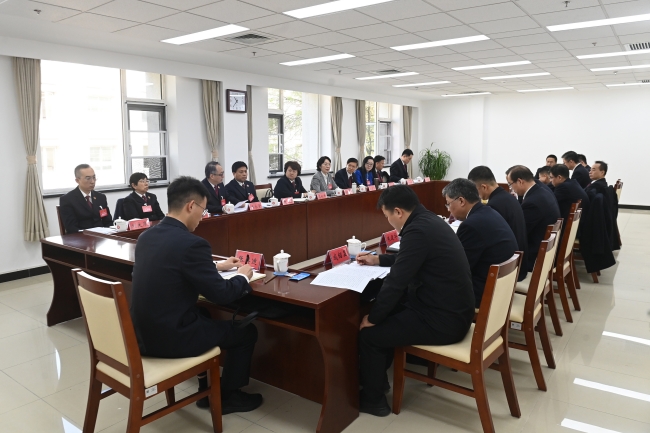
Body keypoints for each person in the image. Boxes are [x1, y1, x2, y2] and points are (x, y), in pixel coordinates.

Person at [130, 176, 262, 414]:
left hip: (140, 335)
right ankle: (228, 397)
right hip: (170, 338)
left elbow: (172, 266)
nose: (203, 216)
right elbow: (222, 294)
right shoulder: (192, 244)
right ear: (191, 205)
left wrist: (216, 266)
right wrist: (242, 276)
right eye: (203, 209)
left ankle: (206, 388)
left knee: (203, 314)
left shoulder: (146, 237)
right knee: (246, 332)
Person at [355, 185, 474, 416]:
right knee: (391, 312)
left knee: (371, 335)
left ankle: (373, 400)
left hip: (444, 321)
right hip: (453, 310)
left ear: (398, 212)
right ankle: (378, 381)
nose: (389, 221)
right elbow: (410, 258)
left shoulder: (417, 230)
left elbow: (396, 282)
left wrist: (373, 318)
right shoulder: (428, 220)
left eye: (387, 216)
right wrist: (378, 260)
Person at [443, 179, 518, 307]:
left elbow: (459, 269)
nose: (449, 210)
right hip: (502, 286)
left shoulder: (471, 225)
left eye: (448, 204)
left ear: (461, 201)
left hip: (485, 292)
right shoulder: (489, 212)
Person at [468, 166, 528, 281]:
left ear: (484, 187)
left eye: (475, 190)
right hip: (518, 263)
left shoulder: (494, 206)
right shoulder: (508, 197)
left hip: (510, 272)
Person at [507, 166, 560, 272]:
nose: (511, 188)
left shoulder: (532, 203)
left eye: (510, 184)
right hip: (545, 249)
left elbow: (520, 233)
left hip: (534, 256)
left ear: (520, 181)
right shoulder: (542, 192)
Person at [59, 164, 113, 233]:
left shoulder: (101, 197)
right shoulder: (67, 199)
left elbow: (108, 221)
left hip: (103, 235)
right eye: (88, 178)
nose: (92, 181)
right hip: (81, 237)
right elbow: (71, 228)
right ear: (77, 180)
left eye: (94, 177)